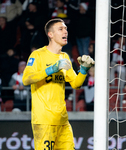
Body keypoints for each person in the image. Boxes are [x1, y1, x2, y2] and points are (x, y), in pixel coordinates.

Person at [22, 18, 94, 149]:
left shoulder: (65, 57)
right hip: (44, 121)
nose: (65, 31)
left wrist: (83, 70)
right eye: (60, 29)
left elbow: (75, 84)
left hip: (62, 121)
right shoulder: (37, 55)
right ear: (50, 34)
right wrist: (51, 69)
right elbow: (26, 79)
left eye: (65, 28)